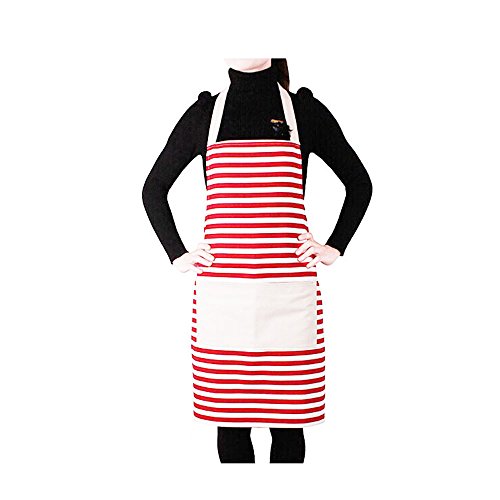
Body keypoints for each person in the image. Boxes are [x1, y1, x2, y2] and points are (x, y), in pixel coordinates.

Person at [142, 58, 372, 463]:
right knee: (230, 423)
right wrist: (178, 254)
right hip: (224, 300)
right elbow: (154, 188)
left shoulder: (303, 111)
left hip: (288, 300)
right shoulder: (205, 114)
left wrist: (334, 247)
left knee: (290, 422)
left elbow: (359, 183)